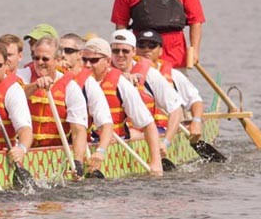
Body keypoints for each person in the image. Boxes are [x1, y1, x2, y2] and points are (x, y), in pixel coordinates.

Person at [81, 38, 164, 175]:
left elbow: (148, 124)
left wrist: (156, 162)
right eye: (84, 60)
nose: (88, 65)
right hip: (84, 142)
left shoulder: (121, 83)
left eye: (94, 60)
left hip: (115, 142)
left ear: (108, 62)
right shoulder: (76, 81)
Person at [110, 29, 184, 158]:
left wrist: (166, 142)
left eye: (125, 51)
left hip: (143, 132)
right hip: (110, 134)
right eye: (115, 51)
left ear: (134, 52)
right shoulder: (101, 71)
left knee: (132, 133)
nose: (120, 55)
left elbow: (176, 110)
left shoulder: (150, 74)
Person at [24, 36, 88, 174]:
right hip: (23, 152)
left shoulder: (71, 87)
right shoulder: (23, 76)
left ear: (58, 60)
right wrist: (34, 86)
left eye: (45, 59)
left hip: (55, 154)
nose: (39, 62)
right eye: (36, 58)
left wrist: (77, 161)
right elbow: (13, 96)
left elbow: (78, 131)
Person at [58, 33, 114, 175]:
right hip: (51, 144)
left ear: (80, 55)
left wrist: (100, 151)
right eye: (60, 50)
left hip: (79, 146)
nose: (63, 55)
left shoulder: (88, 83)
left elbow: (106, 124)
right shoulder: (48, 78)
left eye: (69, 51)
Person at [135, 30, 205, 139]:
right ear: (135, 50)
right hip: (138, 129)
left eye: (152, 46)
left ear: (160, 51)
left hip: (166, 128)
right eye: (141, 45)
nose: (146, 50)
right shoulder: (128, 73)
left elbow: (196, 101)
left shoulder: (174, 75)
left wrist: (196, 122)